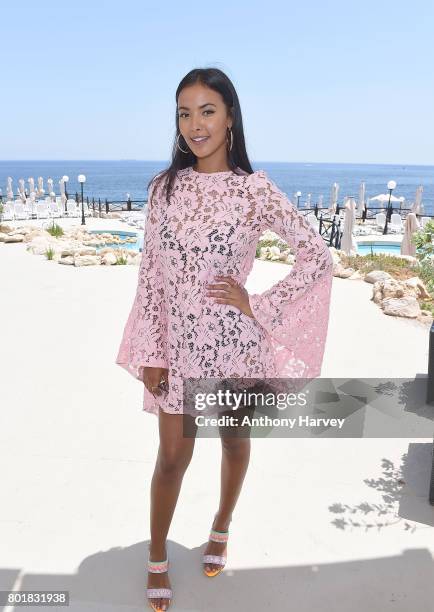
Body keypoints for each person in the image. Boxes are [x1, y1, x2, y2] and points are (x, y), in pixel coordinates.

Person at [115, 67, 334, 612]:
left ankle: (220, 524)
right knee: (171, 458)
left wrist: (257, 303)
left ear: (230, 116)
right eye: (184, 113)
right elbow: (151, 280)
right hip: (177, 350)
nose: (195, 124)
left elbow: (317, 256)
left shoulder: (254, 190)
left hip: (235, 346)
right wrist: (150, 349)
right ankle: (158, 555)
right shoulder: (163, 189)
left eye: (207, 110)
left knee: (235, 441)